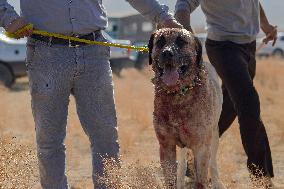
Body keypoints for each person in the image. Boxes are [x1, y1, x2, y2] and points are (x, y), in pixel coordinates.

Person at [0, 1, 182, 188]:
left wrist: (164, 18)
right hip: (45, 54)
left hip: (94, 51)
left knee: (106, 138)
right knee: (49, 141)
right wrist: (8, 17)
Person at [174, 0, 277, 188]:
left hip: (248, 45)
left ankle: (193, 155)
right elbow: (183, 6)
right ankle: (261, 177)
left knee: (229, 105)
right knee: (249, 103)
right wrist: (187, 36)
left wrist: (265, 24)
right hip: (223, 47)